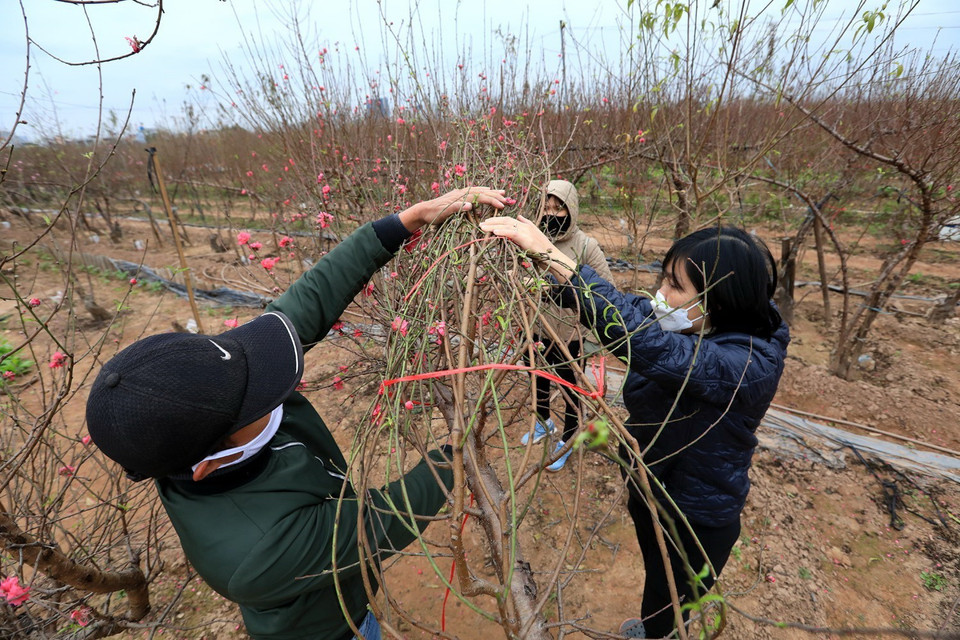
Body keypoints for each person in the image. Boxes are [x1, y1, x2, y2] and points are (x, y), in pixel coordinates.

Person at [86, 187, 508, 640]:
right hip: (332, 628)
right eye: (254, 397)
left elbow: (300, 307)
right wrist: (459, 451)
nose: (269, 385)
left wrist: (404, 221)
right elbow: (383, 518)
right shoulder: (259, 551)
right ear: (210, 463)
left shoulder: (192, 426)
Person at [479, 215, 789, 639]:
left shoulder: (745, 365)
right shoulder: (702, 323)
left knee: (668, 606)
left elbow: (644, 341)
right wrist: (546, 287)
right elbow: (634, 311)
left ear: (718, 302)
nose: (660, 294)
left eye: (675, 286)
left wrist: (551, 254)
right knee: (656, 583)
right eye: (663, 279)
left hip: (693, 517)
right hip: (654, 487)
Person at [521, 180, 613, 472]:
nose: (551, 214)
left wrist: (565, 292)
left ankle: (569, 438)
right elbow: (517, 272)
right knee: (538, 380)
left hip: (571, 336)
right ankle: (543, 423)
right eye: (546, 208)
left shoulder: (586, 245)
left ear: (570, 210)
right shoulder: (531, 240)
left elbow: (606, 290)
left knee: (572, 390)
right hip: (536, 330)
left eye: (558, 209)